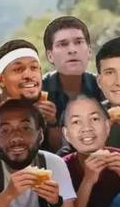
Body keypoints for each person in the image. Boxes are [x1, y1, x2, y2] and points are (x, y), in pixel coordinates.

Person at [42, 16, 105, 152]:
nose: (72, 50)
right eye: (63, 44)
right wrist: (51, 122)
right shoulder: (39, 92)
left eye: (78, 42)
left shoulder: (104, 87)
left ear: (89, 51)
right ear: (50, 55)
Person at [0, 40, 57, 149]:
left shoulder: (50, 102)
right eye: (18, 69)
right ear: (1, 80)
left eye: (34, 68)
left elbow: (60, 151)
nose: (28, 75)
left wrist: (52, 122)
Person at [61, 96, 120, 207]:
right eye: (76, 122)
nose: (87, 128)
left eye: (94, 119)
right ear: (66, 134)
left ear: (107, 127)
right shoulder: (62, 167)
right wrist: (88, 180)